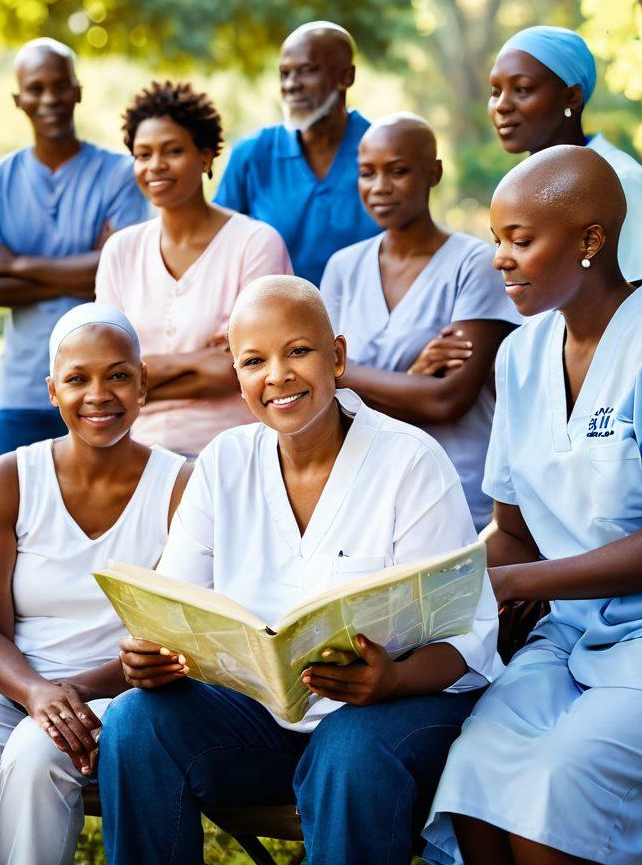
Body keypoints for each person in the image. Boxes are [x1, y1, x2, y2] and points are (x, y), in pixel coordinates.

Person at [422, 146, 642, 865]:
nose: (501, 260)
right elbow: (511, 534)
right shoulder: (520, 356)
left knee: (555, 786)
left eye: (521, 239)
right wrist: (425, 587)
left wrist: (512, 584)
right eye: (496, 240)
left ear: (590, 239)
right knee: (474, 775)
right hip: (579, 630)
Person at [98, 275, 502, 865]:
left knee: (348, 749)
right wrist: (151, 652)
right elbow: (175, 602)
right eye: (254, 360)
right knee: (136, 721)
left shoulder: (409, 461)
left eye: (299, 351)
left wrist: (390, 679)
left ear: (336, 356)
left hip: (397, 713)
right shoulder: (223, 463)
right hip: (263, 721)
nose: (278, 376)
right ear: (238, 379)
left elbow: (467, 635)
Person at [0, 304, 191, 865]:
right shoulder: (11, 477)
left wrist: (72, 694)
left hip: (110, 689)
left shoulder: (180, 484)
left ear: (143, 384)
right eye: (77, 379)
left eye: (119, 375)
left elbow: (173, 631)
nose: (99, 394)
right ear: (52, 390)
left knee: (33, 766)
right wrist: (36, 692)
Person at [321, 113, 520, 528]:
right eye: (367, 173)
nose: (380, 187)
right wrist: (411, 376)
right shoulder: (343, 267)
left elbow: (447, 400)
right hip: (368, 486)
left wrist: (339, 373)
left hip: (460, 489)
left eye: (398, 171)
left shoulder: (476, 264)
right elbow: (320, 398)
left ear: (434, 172)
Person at [0, 38, 148, 459]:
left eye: (60, 86)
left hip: (104, 393)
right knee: (11, 511)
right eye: (36, 88)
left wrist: (17, 264)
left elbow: (121, 275)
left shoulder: (119, 173)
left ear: (78, 90)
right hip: (22, 389)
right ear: (18, 98)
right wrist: (86, 270)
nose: (50, 98)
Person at [95, 81, 292, 458]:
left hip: (232, 454)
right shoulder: (121, 251)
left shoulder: (255, 244)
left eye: (172, 151)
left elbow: (234, 372)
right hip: (134, 455)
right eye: (143, 154)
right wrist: (197, 362)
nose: (156, 166)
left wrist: (131, 375)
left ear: (205, 156)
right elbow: (102, 370)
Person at [488, 24, 642, 286]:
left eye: (523, 89)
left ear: (571, 97)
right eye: (495, 92)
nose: (502, 105)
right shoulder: (521, 187)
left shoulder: (622, 181)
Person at [214, 21, 380, 285]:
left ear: (346, 77)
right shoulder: (252, 154)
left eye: (307, 71)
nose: (291, 85)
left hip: (368, 319)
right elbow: (217, 252)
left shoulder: (382, 148)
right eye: (285, 73)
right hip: (274, 319)